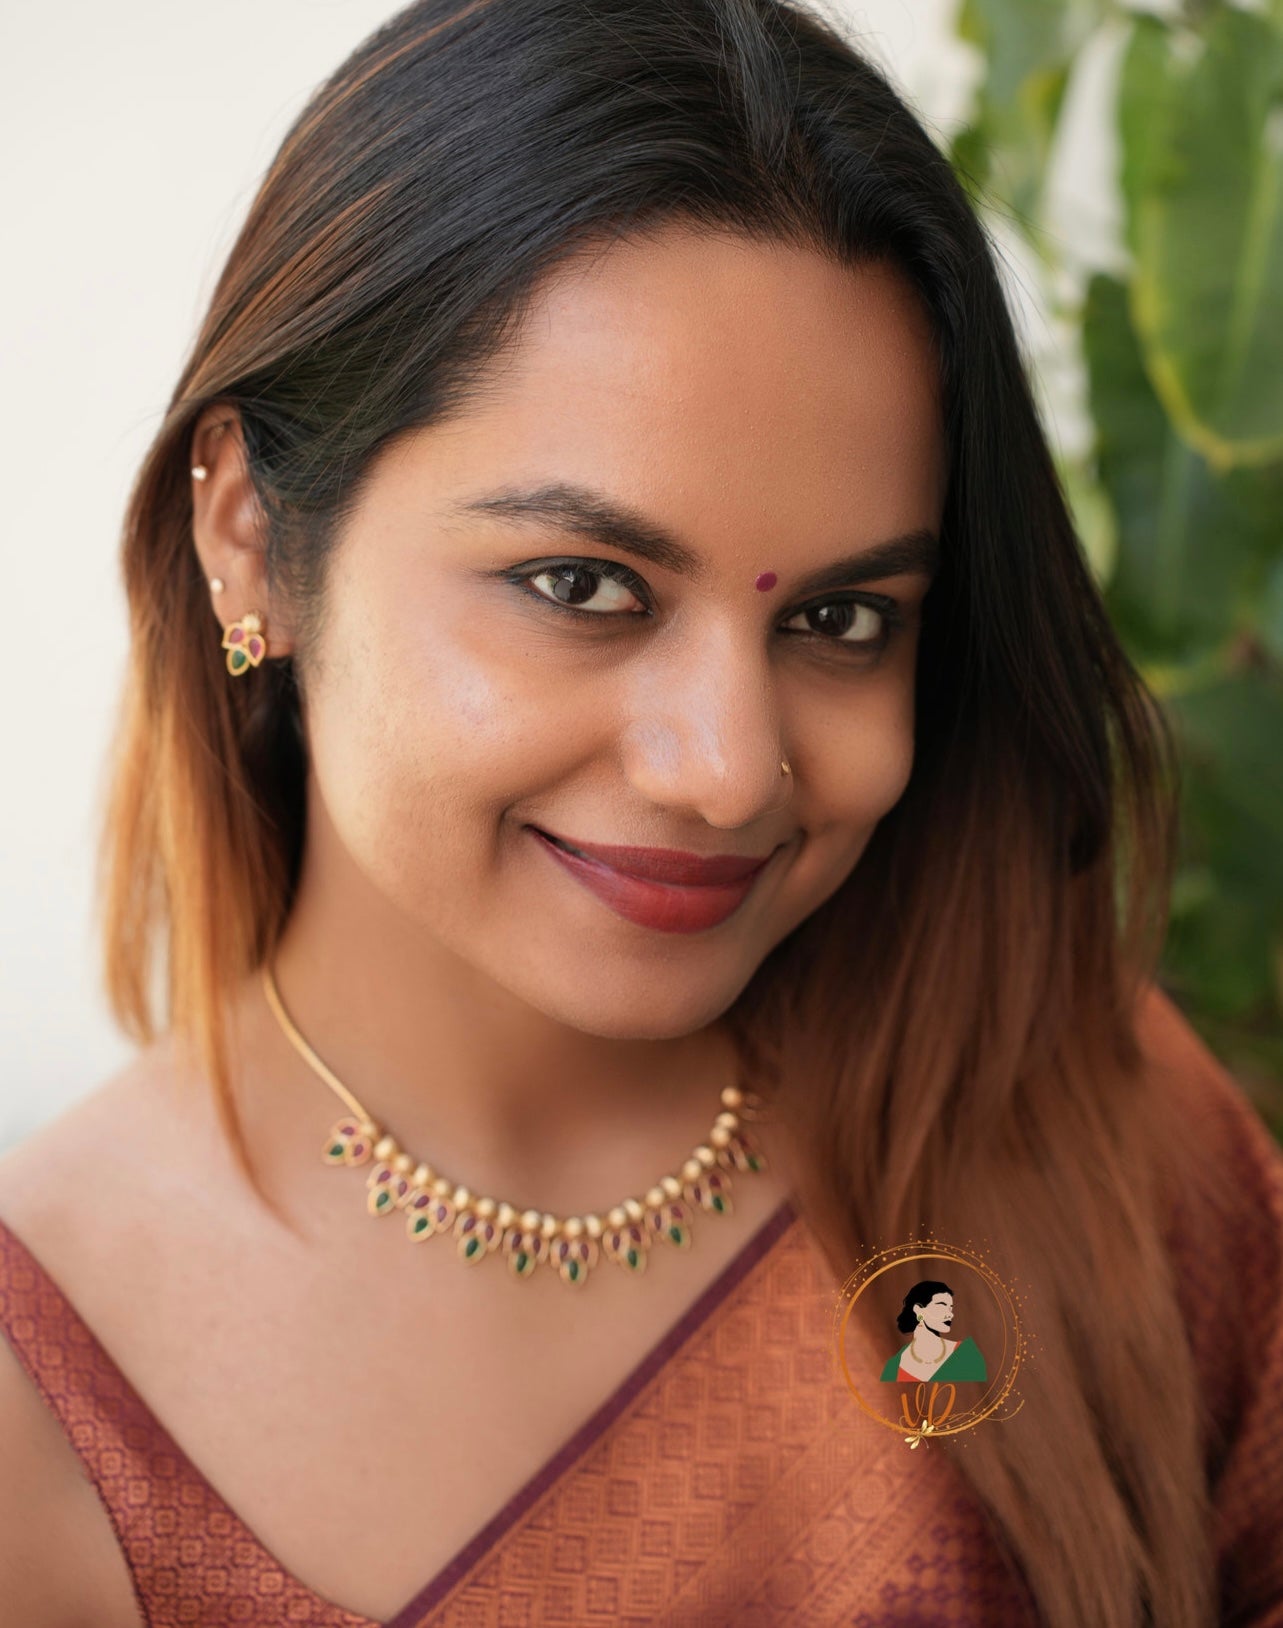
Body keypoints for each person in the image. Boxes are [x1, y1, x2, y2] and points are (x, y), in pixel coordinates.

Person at [0, 0, 1280, 1623]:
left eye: (841, 618)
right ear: (251, 535)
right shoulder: (51, 1423)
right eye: (582, 584)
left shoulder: (1092, 1131)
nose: (729, 769)